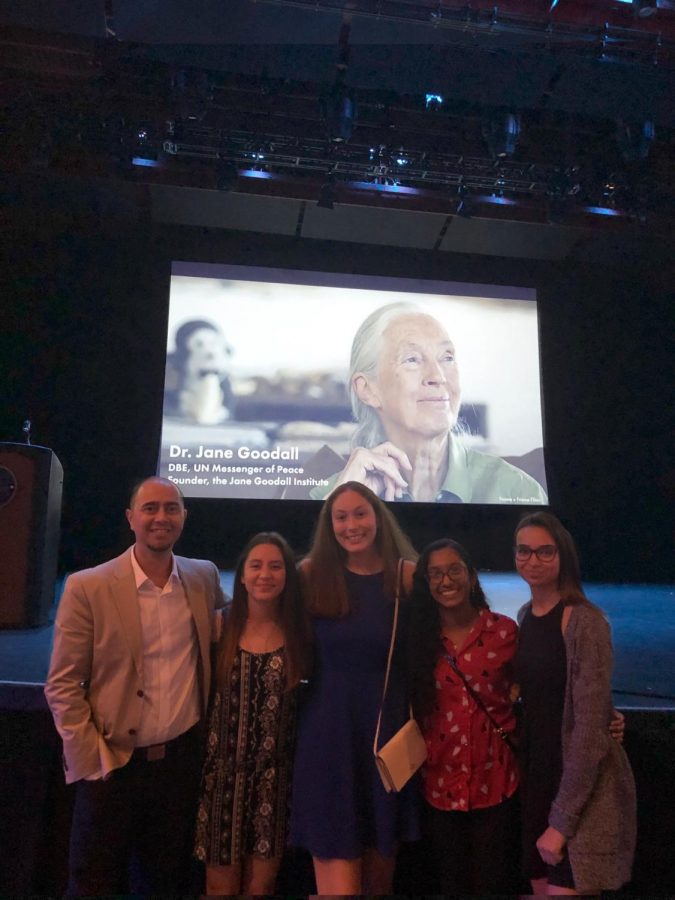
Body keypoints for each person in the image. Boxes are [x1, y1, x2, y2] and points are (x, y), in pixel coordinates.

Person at [44, 476, 226, 896]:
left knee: (164, 883)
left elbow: (234, 623)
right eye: (150, 508)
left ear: (184, 517)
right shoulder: (88, 586)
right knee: (94, 883)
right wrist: (91, 762)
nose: (161, 517)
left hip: (179, 767)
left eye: (171, 508)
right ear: (131, 518)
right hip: (112, 767)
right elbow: (63, 683)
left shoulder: (203, 578)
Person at [289, 480, 420, 894]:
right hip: (330, 736)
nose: (351, 525)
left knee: (379, 882)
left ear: (378, 517)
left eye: (360, 514)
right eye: (340, 517)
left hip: (386, 735)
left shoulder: (407, 576)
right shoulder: (310, 574)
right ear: (329, 525)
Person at [307, 301, 548, 504]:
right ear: (368, 389)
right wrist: (343, 504)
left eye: (447, 357)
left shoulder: (517, 490)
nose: (438, 377)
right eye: (412, 359)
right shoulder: (332, 494)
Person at [513, 511, 636, 895]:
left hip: (579, 792)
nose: (533, 560)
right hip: (537, 780)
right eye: (524, 551)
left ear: (563, 556)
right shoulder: (524, 616)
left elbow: (587, 732)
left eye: (545, 552)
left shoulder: (585, 622)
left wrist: (562, 822)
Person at [194, 532, 312, 895]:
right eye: (256, 565)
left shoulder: (300, 634)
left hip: (273, 785)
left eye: (276, 566)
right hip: (222, 782)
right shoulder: (217, 627)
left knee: (260, 890)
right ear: (242, 575)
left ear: (287, 576)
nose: (265, 574)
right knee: (220, 890)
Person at [408, 538, 522, 894]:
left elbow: (541, 690)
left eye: (454, 570)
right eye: (436, 574)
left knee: (493, 885)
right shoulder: (419, 640)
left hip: (496, 783)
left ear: (471, 576)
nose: (446, 581)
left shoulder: (505, 632)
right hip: (440, 787)